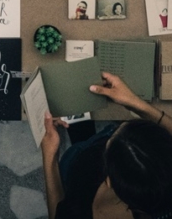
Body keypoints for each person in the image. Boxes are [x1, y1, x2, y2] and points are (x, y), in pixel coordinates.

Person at [42, 72, 172, 219]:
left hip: (75, 171)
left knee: (77, 151)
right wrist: (134, 102)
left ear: (109, 180)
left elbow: (58, 214)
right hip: (88, 162)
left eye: (110, 141)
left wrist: (50, 157)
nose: (112, 131)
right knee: (82, 131)